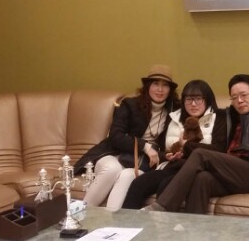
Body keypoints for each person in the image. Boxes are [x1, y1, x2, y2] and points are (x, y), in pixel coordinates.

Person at [143, 74, 249, 214]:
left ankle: (162, 207)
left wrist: (221, 158)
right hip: (238, 174)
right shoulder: (232, 117)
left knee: (201, 154)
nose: (239, 100)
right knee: (202, 178)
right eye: (234, 97)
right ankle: (194, 232)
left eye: (244, 95)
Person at [111, 79, 227, 209]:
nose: (193, 104)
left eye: (198, 99)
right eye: (188, 99)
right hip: (173, 166)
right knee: (139, 183)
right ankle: (125, 221)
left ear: (208, 99)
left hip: (199, 170)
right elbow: (160, 146)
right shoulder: (174, 117)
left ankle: (162, 222)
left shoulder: (219, 117)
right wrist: (166, 155)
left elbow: (219, 149)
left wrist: (187, 145)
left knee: (165, 185)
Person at [74, 65, 178, 207]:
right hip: (113, 154)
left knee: (127, 175)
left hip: (141, 162)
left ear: (170, 90)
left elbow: (168, 144)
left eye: (165, 85)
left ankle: (112, 220)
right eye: (155, 84)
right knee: (112, 169)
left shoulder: (173, 111)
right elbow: (116, 136)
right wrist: (145, 146)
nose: (160, 89)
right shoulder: (130, 105)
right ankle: (83, 214)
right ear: (148, 86)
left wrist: (165, 155)